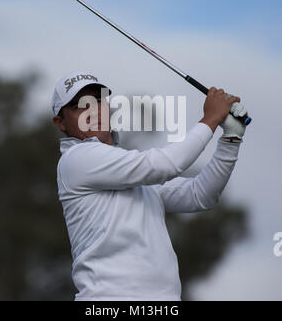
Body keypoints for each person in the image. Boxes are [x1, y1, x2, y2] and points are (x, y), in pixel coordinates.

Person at [52, 70, 247, 301]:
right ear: (60, 122)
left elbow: (200, 195)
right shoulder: (77, 159)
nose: (92, 110)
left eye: (98, 100)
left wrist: (230, 139)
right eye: (79, 105)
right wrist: (210, 119)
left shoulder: (126, 169)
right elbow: (166, 164)